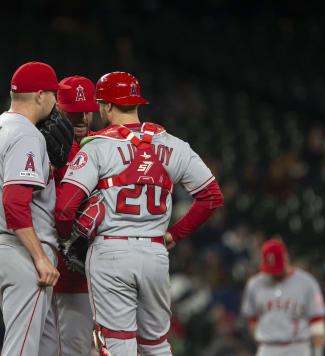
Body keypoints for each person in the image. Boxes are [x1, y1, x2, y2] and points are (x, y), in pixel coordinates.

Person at [54, 72, 224, 356]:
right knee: (156, 344)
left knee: (118, 345)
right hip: (155, 253)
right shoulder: (172, 143)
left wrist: (70, 238)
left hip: (111, 252)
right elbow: (211, 197)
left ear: (106, 106)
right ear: (136, 103)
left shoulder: (96, 146)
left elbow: (64, 208)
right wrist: (174, 234)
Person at [0, 61, 72, 355]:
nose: (56, 102)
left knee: (41, 346)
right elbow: (15, 204)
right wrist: (40, 257)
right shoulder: (26, 133)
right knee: (22, 349)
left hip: (1, 246)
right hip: (21, 251)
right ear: (40, 95)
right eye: (53, 94)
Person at [53, 75, 99, 356]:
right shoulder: (50, 149)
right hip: (62, 269)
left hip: (92, 271)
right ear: (58, 108)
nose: (81, 117)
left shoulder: (100, 146)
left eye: (87, 110)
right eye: (73, 111)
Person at [241, 238, 325, 356]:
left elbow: (317, 322)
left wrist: (318, 352)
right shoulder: (255, 285)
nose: (274, 273)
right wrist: (263, 341)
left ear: (286, 258)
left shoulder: (307, 283)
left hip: (298, 347)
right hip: (267, 348)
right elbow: (252, 319)